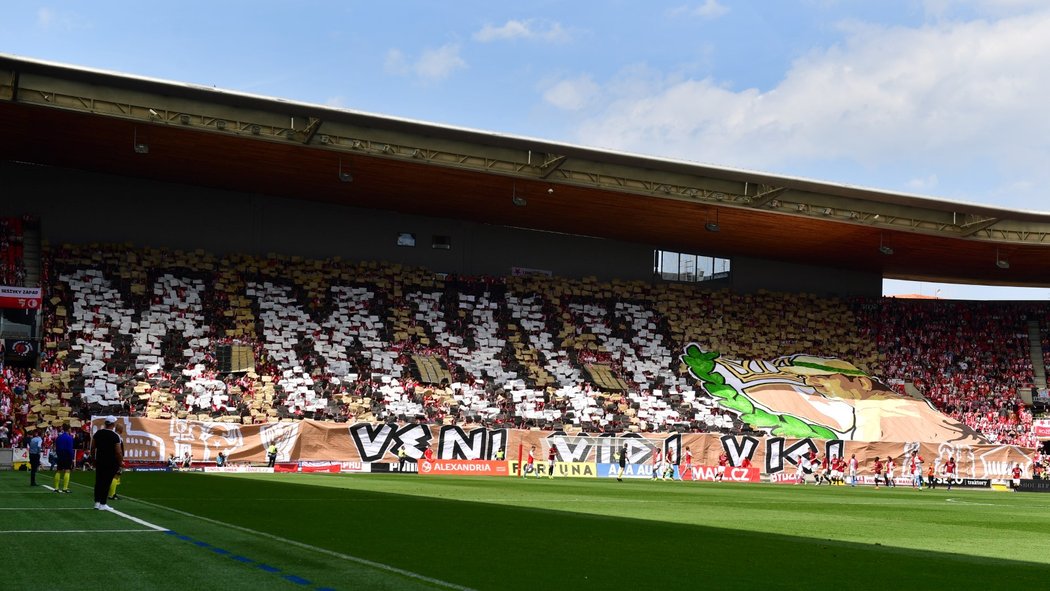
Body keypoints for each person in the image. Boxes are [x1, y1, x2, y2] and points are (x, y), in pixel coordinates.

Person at [90, 416, 123, 511]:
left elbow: (92, 448)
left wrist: (93, 460)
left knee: (99, 482)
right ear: (113, 424)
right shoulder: (115, 436)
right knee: (106, 482)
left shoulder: (98, 433)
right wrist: (120, 462)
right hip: (111, 462)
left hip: (100, 460)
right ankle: (103, 503)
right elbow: (118, 452)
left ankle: (97, 502)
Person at [53, 424, 75, 494]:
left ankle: (56, 488)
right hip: (67, 455)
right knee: (67, 471)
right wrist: (72, 458)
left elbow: (56, 448)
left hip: (60, 455)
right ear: (69, 429)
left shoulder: (59, 437)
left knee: (58, 470)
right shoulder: (70, 438)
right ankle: (65, 488)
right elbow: (70, 449)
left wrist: (58, 454)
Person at [108, 421, 126, 500]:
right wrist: (121, 460)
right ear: (120, 429)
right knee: (116, 475)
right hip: (116, 459)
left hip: (110, 458)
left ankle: (111, 493)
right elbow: (119, 451)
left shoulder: (112, 436)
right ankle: (112, 494)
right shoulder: (118, 438)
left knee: (111, 476)